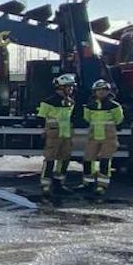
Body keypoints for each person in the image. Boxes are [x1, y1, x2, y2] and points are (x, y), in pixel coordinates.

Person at [36, 73, 78, 204]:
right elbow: (40, 118)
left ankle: (59, 184)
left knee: (64, 159)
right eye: (68, 87)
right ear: (61, 87)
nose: (71, 90)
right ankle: (46, 186)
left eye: (71, 87)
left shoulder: (70, 101)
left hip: (66, 134)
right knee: (50, 160)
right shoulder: (48, 102)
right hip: (54, 135)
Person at [82, 79, 124, 200]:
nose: (101, 92)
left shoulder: (115, 106)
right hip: (94, 136)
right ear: (94, 92)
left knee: (105, 161)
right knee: (88, 160)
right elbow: (87, 118)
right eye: (98, 90)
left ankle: (102, 186)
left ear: (108, 91)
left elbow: (119, 119)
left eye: (103, 90)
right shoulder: (89, 106)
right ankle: (88, 183)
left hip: (108, 137)